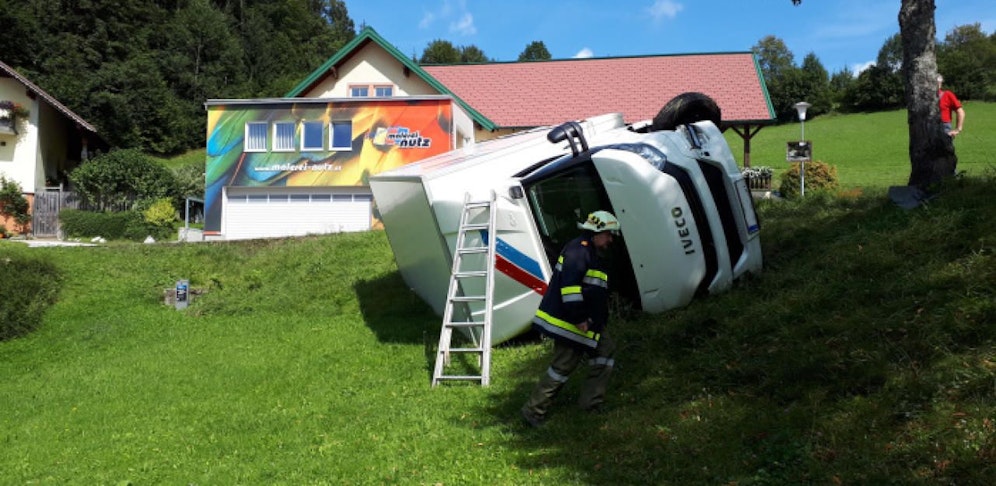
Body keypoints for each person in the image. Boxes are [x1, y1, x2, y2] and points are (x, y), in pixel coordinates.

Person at [521, 210, 621, 428]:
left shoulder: (589, 251)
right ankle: (533, 410)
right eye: (609, 234)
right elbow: (570, 289)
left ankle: (591, 404)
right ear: (597, 232)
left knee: (605, 352)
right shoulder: (579, 250)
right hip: (573, 323)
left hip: (589, 324)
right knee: (562, 367)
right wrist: (580, 318)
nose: (610, 240)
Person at [938, 74, 965, 138]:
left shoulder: (947, 95)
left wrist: (958, 129)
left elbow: (960, 112)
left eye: (939, 81)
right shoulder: (923, 97)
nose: (938, 83)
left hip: (944, 128)